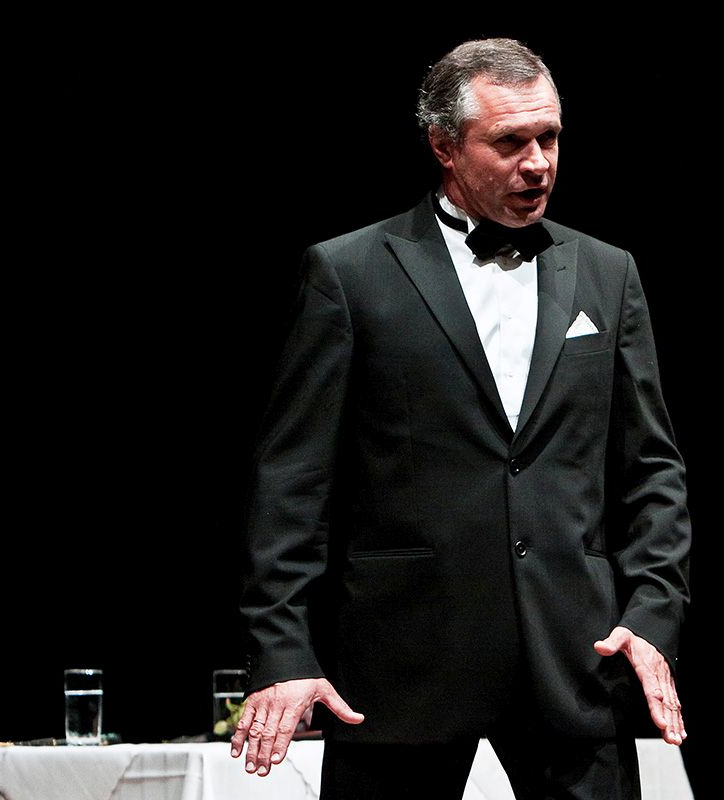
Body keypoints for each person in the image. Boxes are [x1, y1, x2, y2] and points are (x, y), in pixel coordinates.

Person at [232, 38, 691, 799]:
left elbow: (652, 471)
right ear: (444, 146)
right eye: (510, 143)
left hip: (575, 663)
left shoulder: (608, 273)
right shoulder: (348, 273)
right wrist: (282, 649)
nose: (538, 164)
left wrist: (652, 616)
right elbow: (292, 483)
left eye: (549, 138)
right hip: (401, 668)